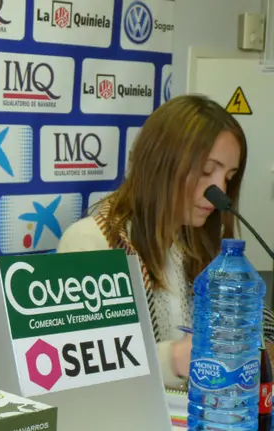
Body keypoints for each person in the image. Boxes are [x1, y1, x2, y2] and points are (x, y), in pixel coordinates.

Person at [57, 94, 274, 390]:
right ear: (161, 163)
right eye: (207, 171)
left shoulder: (203, 246)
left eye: (229, 177)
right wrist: (174, 358)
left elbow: (256, 324)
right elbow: (78, 364)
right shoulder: (90, 242)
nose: (220, 190)